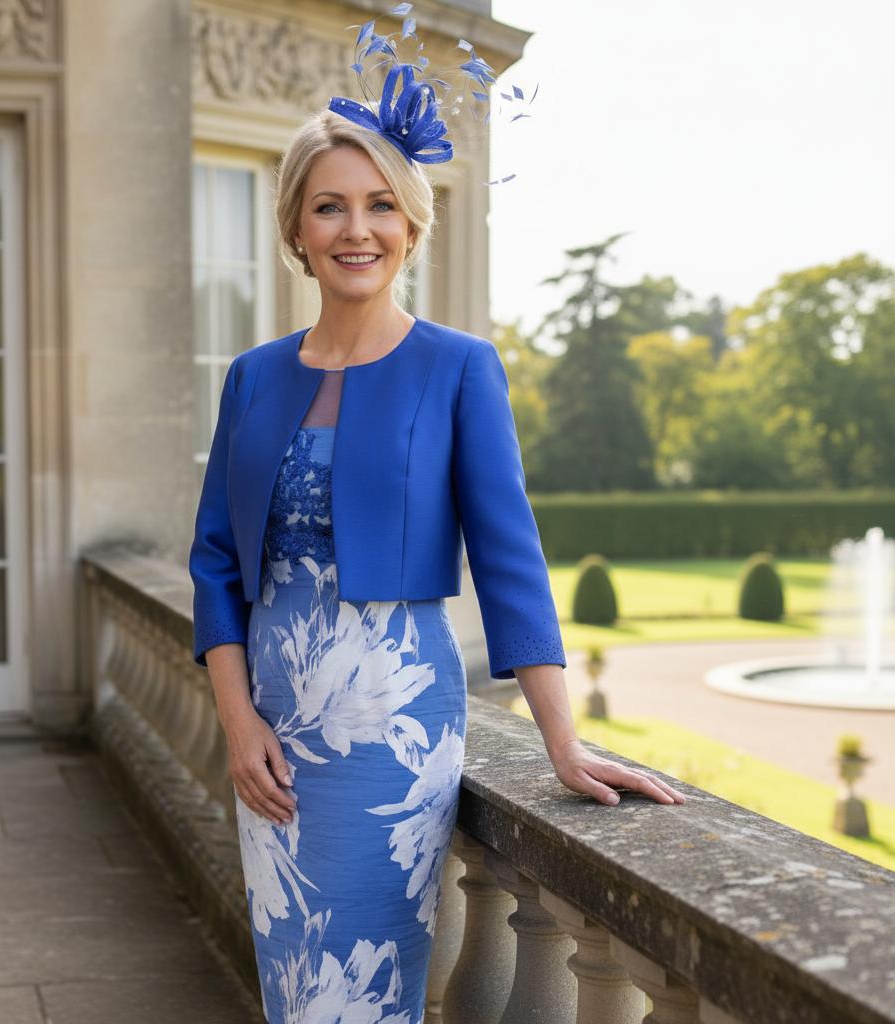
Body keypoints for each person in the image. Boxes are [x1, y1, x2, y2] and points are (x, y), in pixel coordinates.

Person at [189, 27, 685, 1024]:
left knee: (364, 988)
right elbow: (212, 562)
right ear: (295, 228)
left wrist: (563, 741)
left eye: (378, 205)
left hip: (390, 720)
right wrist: (237, 720)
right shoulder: (253, 377)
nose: (355, 228)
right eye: (329, 206)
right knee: (294, 985)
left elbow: (508, 559)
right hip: (272, 728)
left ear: (411, 226)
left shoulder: (457, 368)